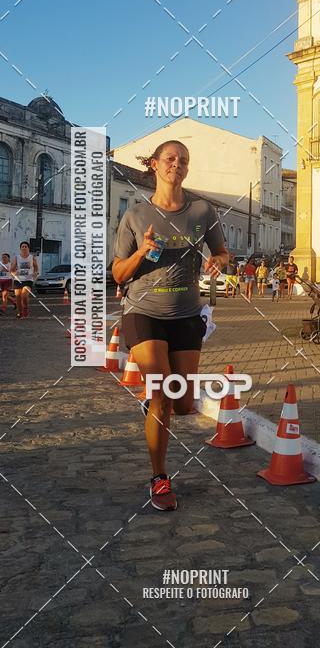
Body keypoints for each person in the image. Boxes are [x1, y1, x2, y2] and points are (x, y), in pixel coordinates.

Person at [112, 140, 228, 511]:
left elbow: (222, 252)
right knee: (162, 392)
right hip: (143, 312)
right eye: (170, 158)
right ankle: (159, 478)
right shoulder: (135, 216)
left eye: (184, 160)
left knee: (183, 404)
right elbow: (118, 273)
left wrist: (218, 262)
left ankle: (155, 404)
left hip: (187, 314)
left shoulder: (203, 211)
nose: (177, 164)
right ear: (155, 165)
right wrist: (141, 252)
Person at [11, 242, 38, 319]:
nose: (24, 248)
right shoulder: (17, 257)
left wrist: (35, 272)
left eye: (25, 246)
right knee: (18, 297)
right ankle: (20, 313)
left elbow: (36, 267)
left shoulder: (32, 257)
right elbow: (12, 269)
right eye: (22, 246)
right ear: (20, 248)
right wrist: (13, 272)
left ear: (28, 248)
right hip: (18, 279)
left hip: (28, 279)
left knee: (24, 295)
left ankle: (25, 308)